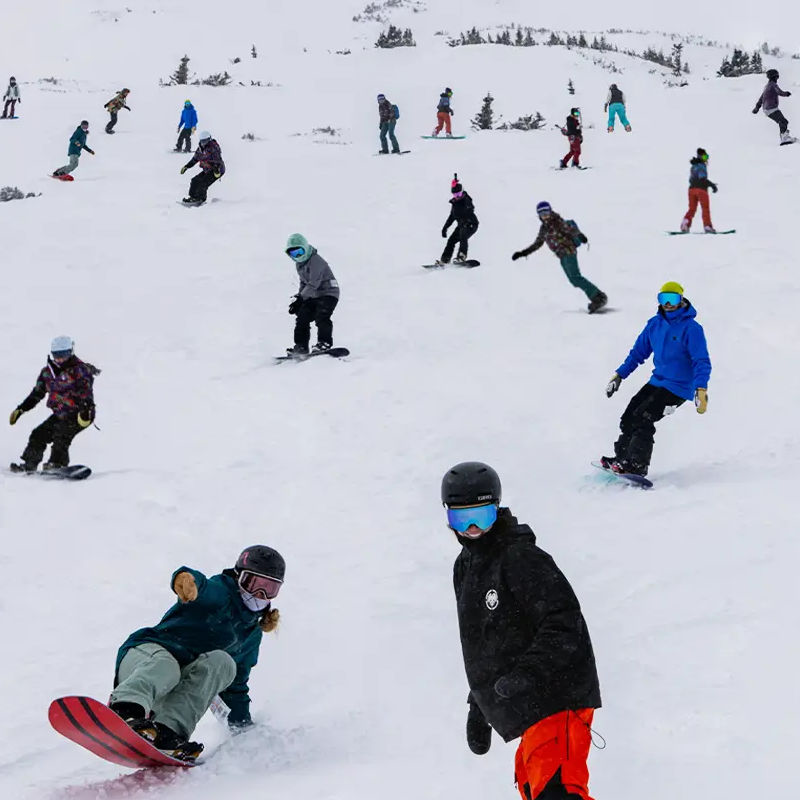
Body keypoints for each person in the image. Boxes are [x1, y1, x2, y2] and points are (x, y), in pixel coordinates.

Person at [443, 461, 601, 800]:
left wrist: (527, 675)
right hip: (528, 706)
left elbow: (564, 623)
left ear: (497, 510)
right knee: (537, 791)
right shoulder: (465, 568)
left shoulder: (521, 558)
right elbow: (485, 643)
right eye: (462, 519)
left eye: (481, 516)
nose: (472, 528)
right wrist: (479, 704)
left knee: (559, 793)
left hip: (556, 696)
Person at [108, 545, 284, 761]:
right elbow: (203, 587)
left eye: (270, 588)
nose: (259, 594)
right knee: (168, 666)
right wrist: (186, 580)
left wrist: (244, 732)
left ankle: (167, 731)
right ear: (238, 577)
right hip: (142, 662)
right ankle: (125, 710)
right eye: (253, 583)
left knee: (224, 663)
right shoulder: (222, 593)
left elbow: (235, 687)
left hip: (170, 689)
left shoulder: (252, 633)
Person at [602, 281, 711, 477]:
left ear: (681, 300)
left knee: (644, 417)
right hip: (658, 381)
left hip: (678, 387)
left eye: (672, 299)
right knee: (629, 417)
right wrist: (619, 375)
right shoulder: (654, 325)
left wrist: (701, 389)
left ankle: (637, 464)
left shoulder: (692, 329)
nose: (668, 304)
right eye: (663, 299)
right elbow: (638, 353)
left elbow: (701, 361)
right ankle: (622, 459)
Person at [9, 336, 100, 473]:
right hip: (61, 414)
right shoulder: (47, 373)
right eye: (56, 355)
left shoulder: (80, 370)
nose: (60, 359)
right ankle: (29, 465)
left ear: (70, 352)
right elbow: (37, 394)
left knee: (62, 433)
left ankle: (57, 464)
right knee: (38, 434)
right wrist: (21, 409)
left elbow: (85, 392)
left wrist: (85, 410)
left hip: (80, 413)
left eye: (63, 355)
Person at [512, 201, 607, 313]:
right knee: (574, 280)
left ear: (550, 211)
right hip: (562, 256)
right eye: (542, 214)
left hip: (569, 251)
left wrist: (579, 235)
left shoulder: (557, 221)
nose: (545, 216)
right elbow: (538, 243)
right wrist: (523, 253)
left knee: (575, 278)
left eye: (546, 213)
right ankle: (597, 296)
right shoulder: (544, 229)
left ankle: (598, 297)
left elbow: (570, 229)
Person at [285, 233, 340, 356]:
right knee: (302, 318)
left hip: (329, 293)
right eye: (293, 253)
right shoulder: (299, 264)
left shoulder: (316, 260)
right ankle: (301, 347)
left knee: (322, 315)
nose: (297, 256)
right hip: (313, 295)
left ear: (305, 248)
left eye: (299, 252)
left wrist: (301, 298)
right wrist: (299, 299)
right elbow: (303, 282)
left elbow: (314, 282)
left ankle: (324, 343)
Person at [436, 176, 479, 265]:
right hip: (461, 225)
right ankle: (445, 260)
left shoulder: (466, 200)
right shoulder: (455, 204)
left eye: (458, 194)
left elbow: (470, 207)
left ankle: (461, 256)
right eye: (455, 195)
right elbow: (451, 217)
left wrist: (467, 213)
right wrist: (445, 228)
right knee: (451, 240)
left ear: (462, 192)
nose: (457, 196)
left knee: (463, 235)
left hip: (471, 224)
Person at [180, 131, 225, 204]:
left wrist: (216, 170)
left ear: (209, 139)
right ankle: (193, 197)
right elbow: (195, 159)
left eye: (205, 141)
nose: (203, 143)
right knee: (195, 180)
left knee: (203, 183)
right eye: (202, 141)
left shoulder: (214, 147)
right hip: (207, 169)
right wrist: (186, 166)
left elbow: (217, 160)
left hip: (217, 170)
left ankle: (200, 199)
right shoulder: (200, 148)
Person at [752, 68, 794, 145]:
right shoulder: (773, 85)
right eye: (777, 77)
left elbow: (761, 98)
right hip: (771, 108)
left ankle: (784, 136)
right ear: (774, 77)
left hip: (768, 109)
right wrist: (786, 93)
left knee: (783, 121)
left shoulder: (767, 86)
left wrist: (757, 108)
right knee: (783, 121)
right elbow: (779, 92)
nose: (777, 79)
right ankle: (784, 138)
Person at [680, 148, 717, 233]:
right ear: (700, 156)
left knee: (692, 209)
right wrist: (712, 185)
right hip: (701, 190)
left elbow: (691, 179)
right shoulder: (701, 166)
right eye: (705, 157)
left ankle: (685, 223)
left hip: (691, 189)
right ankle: (707, 226)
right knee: (705, 208)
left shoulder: (693, 166)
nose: (706, 159)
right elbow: (702, 179)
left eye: (707, 157)